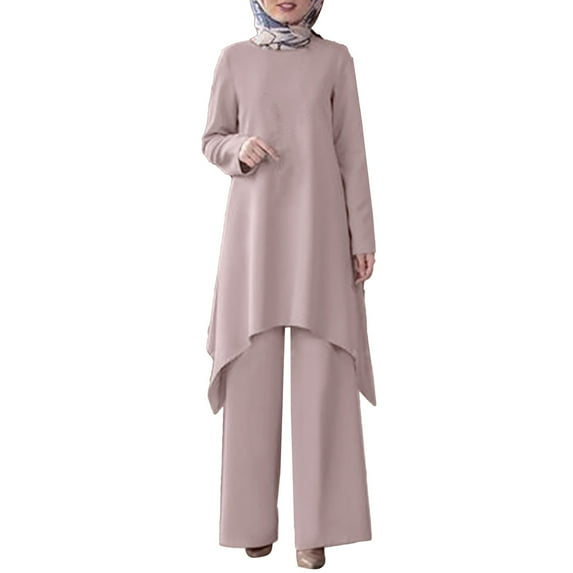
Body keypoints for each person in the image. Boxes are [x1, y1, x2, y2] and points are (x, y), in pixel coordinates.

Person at [201, 0, 377, 568]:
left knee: (324, 373)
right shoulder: (233, 59)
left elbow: (351, 151)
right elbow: (211, 138)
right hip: (254, 236)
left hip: (320, 232)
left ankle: (319, 527)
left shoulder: (336, 60)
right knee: (251, 375)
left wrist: (362, 235)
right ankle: (250, 521)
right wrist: (238, 149)